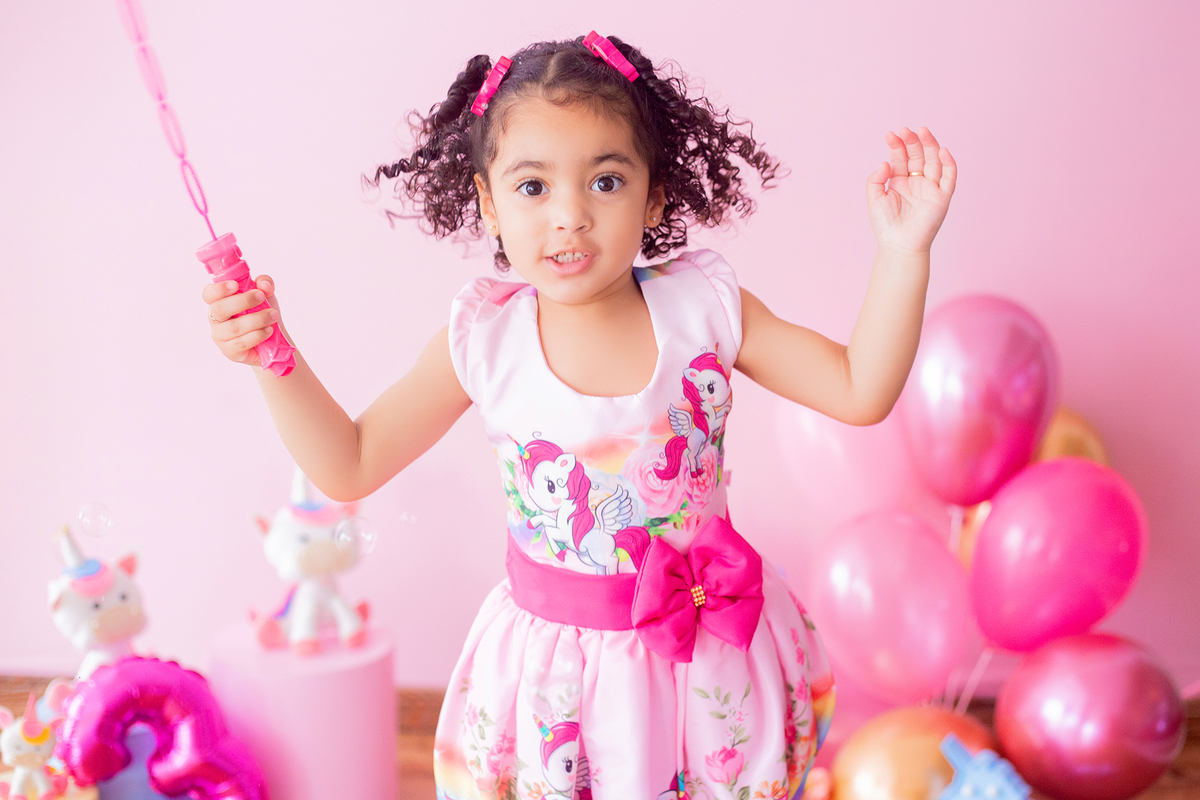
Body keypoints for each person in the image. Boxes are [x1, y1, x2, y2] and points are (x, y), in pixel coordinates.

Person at [202, 32, 955, 800]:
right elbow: (349, 462)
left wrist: (904, 252)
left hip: (705, 659)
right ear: (489, 203)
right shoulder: (484, 341)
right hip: (557, 681)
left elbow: (861, 390)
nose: (569, 217)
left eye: (605, 181)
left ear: (655, 193)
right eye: (533, 188)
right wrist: (274, 355)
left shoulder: (704, 309)